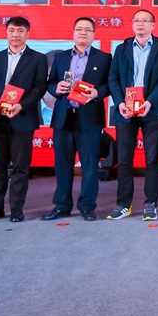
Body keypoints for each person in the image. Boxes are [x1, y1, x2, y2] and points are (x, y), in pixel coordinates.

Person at [0, 16, 48, 223]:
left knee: (20, 167)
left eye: (20, 31)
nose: (15, 35)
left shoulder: (38, 59)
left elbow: (39, 88)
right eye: (12, 31)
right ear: (6, 33)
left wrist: (21, 105)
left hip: (22, 118)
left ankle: (16, 208)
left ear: (27, 34)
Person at [106, 9, 158, 221]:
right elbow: (113, 78)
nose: (140, 24)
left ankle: (151, 203)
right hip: (126, 110)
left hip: (151, 109)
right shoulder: (122, 48)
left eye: (145, 20)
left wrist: (149, 101)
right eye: (137, 20)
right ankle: (123, 204)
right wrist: (120, 103)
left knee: (152, 159)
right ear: (132, 24)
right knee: (124, 159)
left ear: (153, 25)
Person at [42, 17, 111, 222]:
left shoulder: (104, 58)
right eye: (79, 29)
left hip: (89, 117)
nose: (83, 33)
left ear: (93, 34)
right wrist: (56, 89)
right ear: (73, 33)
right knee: (62, 165)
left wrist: (97, 93)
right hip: (64, 117)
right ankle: (61, 205)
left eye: (87, 30)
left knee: (89, 166)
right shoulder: (61, 57)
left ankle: (87, 206)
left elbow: (110, 84)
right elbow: (50, 82)